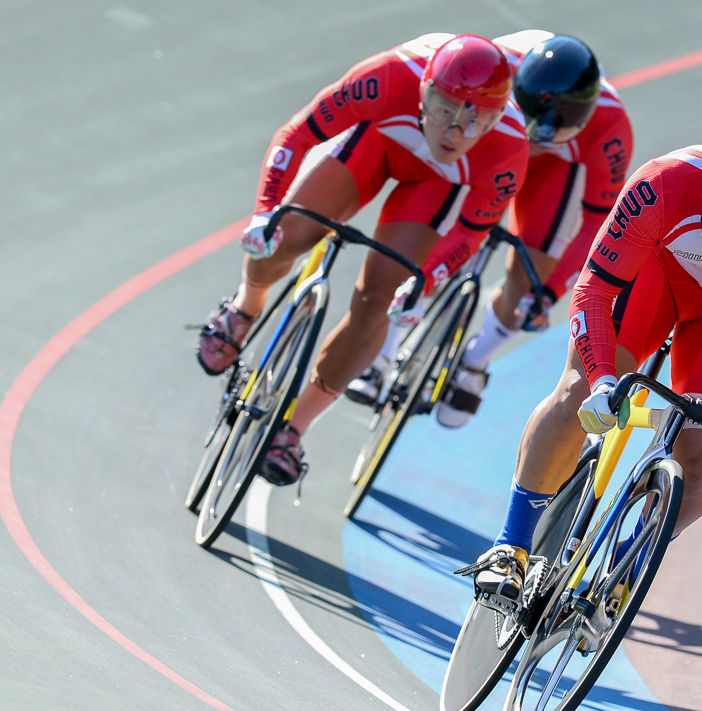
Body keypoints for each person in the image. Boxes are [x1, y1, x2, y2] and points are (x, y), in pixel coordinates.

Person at [471, 103, 702, 605]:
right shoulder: (663, 185)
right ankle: (510, 546)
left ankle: (629, 562)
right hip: (655, 276)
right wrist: (602, 379)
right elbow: (593, 293)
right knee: (579, 389)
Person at [194, 33, 530, 486]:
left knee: (378, 302)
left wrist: (423, 283)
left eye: (476, 122)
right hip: (377, 143)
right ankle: (245, 307)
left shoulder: (508, 149)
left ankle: (293, 430)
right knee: (285, 236)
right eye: (444, 110)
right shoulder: (388, 77)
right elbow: (296, 134)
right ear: (424, 90)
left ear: (497, 119)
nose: (454, 132)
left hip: (431, 187)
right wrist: (264, 211)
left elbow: (471, 231)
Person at [344, 30, 634, 430]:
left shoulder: (609, 130)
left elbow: (595, 228)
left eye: (544, 135)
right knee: (435, 235)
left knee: (530, 283)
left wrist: (547, 293)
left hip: (555, 170)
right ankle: (381, 355)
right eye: (523, 123)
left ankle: (475, 361)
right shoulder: (493, 69)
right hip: (484, 144)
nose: (529, 140)